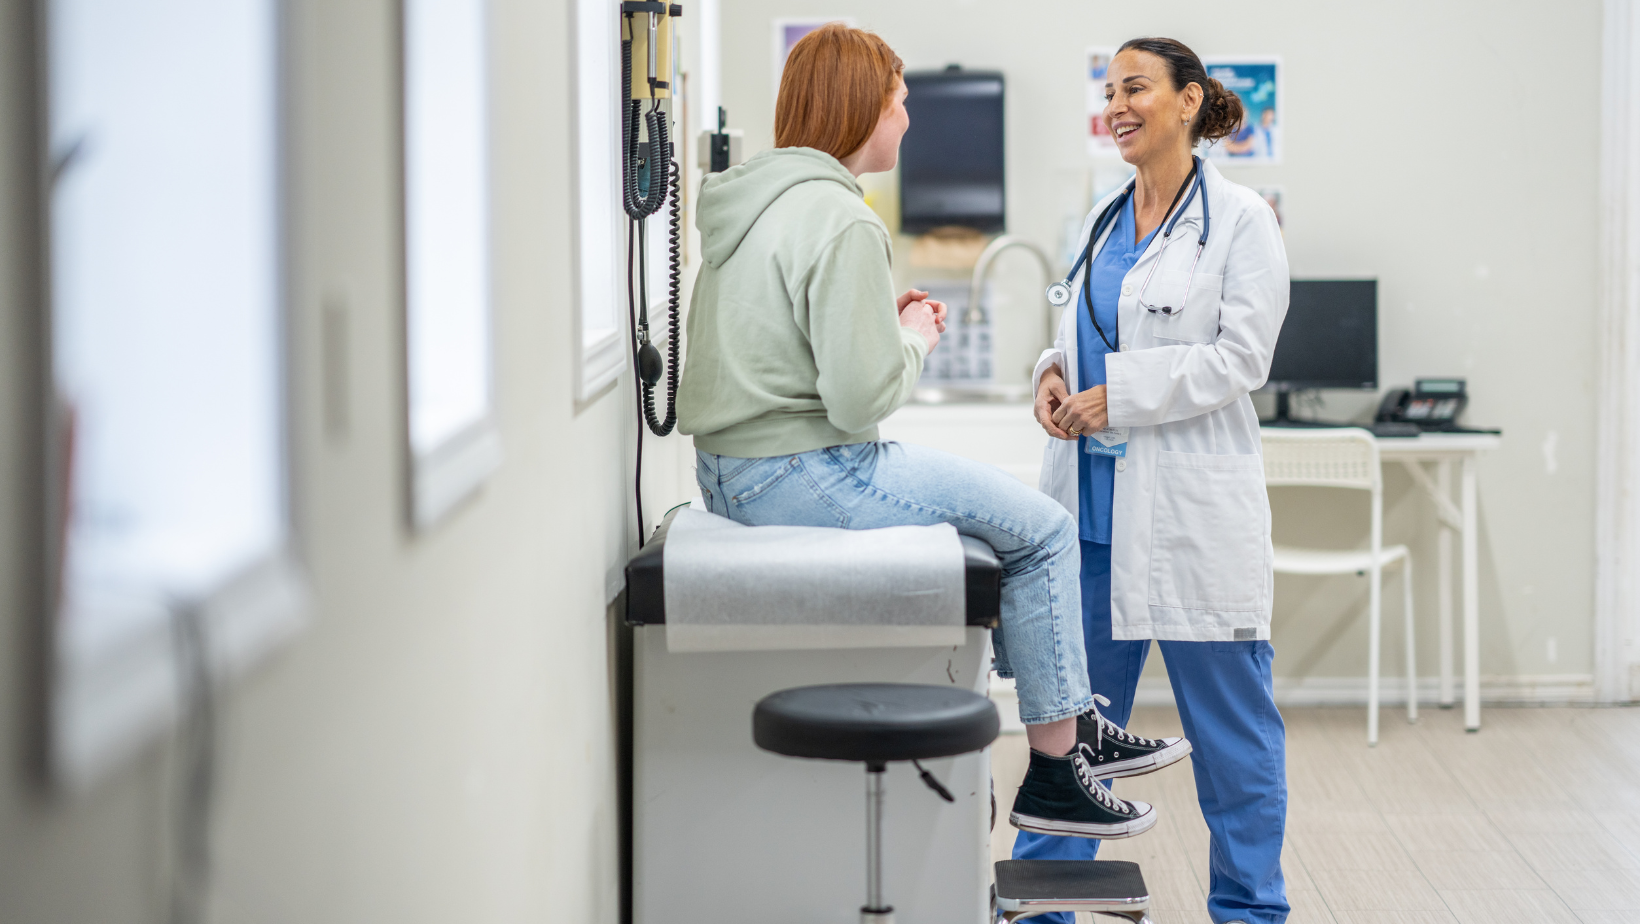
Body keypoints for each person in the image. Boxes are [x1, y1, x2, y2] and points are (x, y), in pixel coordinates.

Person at [676, 23, 1185, 839]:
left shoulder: (754, 202)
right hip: (805, 469)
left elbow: (769, 353)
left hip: (731, 472)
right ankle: (1059, 768)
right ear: (862, 109)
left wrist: (882, 322)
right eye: (901, 102)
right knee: (1045, 532)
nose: (909, 121)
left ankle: (1070, 723)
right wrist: (914, 340)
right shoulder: (844, 219)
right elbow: (856, 402)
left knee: (1020, 535)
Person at [1016, 36, 1292, 924]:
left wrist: (1119, 398)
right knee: (1070, 747)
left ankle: (1250, 911)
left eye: (1135, 87)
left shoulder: (1241, 219)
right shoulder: (1103, 219)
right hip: (1090, 524)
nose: (1118, 106)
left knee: (1232, 741)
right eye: (1110, 92)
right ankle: (1042, 911)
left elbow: (1242, 358)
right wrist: (1052, 376)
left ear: (1188, 100)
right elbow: (1085, 330)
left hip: (1187, 522)